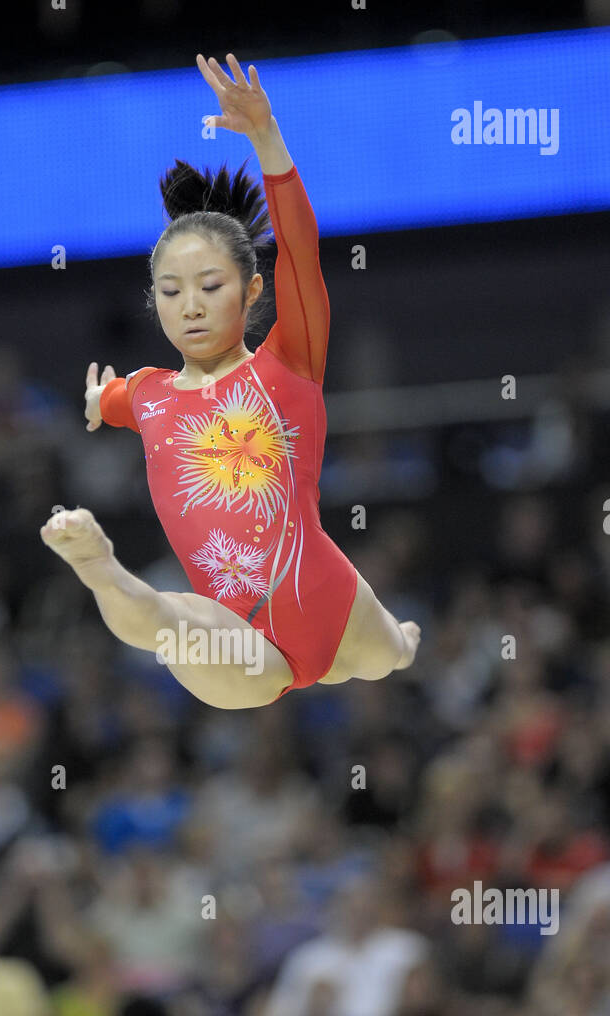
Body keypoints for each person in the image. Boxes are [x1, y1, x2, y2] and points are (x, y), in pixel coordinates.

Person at [41, 53, 419, 709]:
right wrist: (97, 401)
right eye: (171, 290)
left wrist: (267, 139)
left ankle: (406, 636)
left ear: (250, 291)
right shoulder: (150, 391)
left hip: (331, 612)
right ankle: (97, 564)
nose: (189, 305)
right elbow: (118, 399)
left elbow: (301, 249)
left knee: (393, 652)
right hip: (239, 641)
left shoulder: (289, 360)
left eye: (209, 287)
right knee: (167, 624)